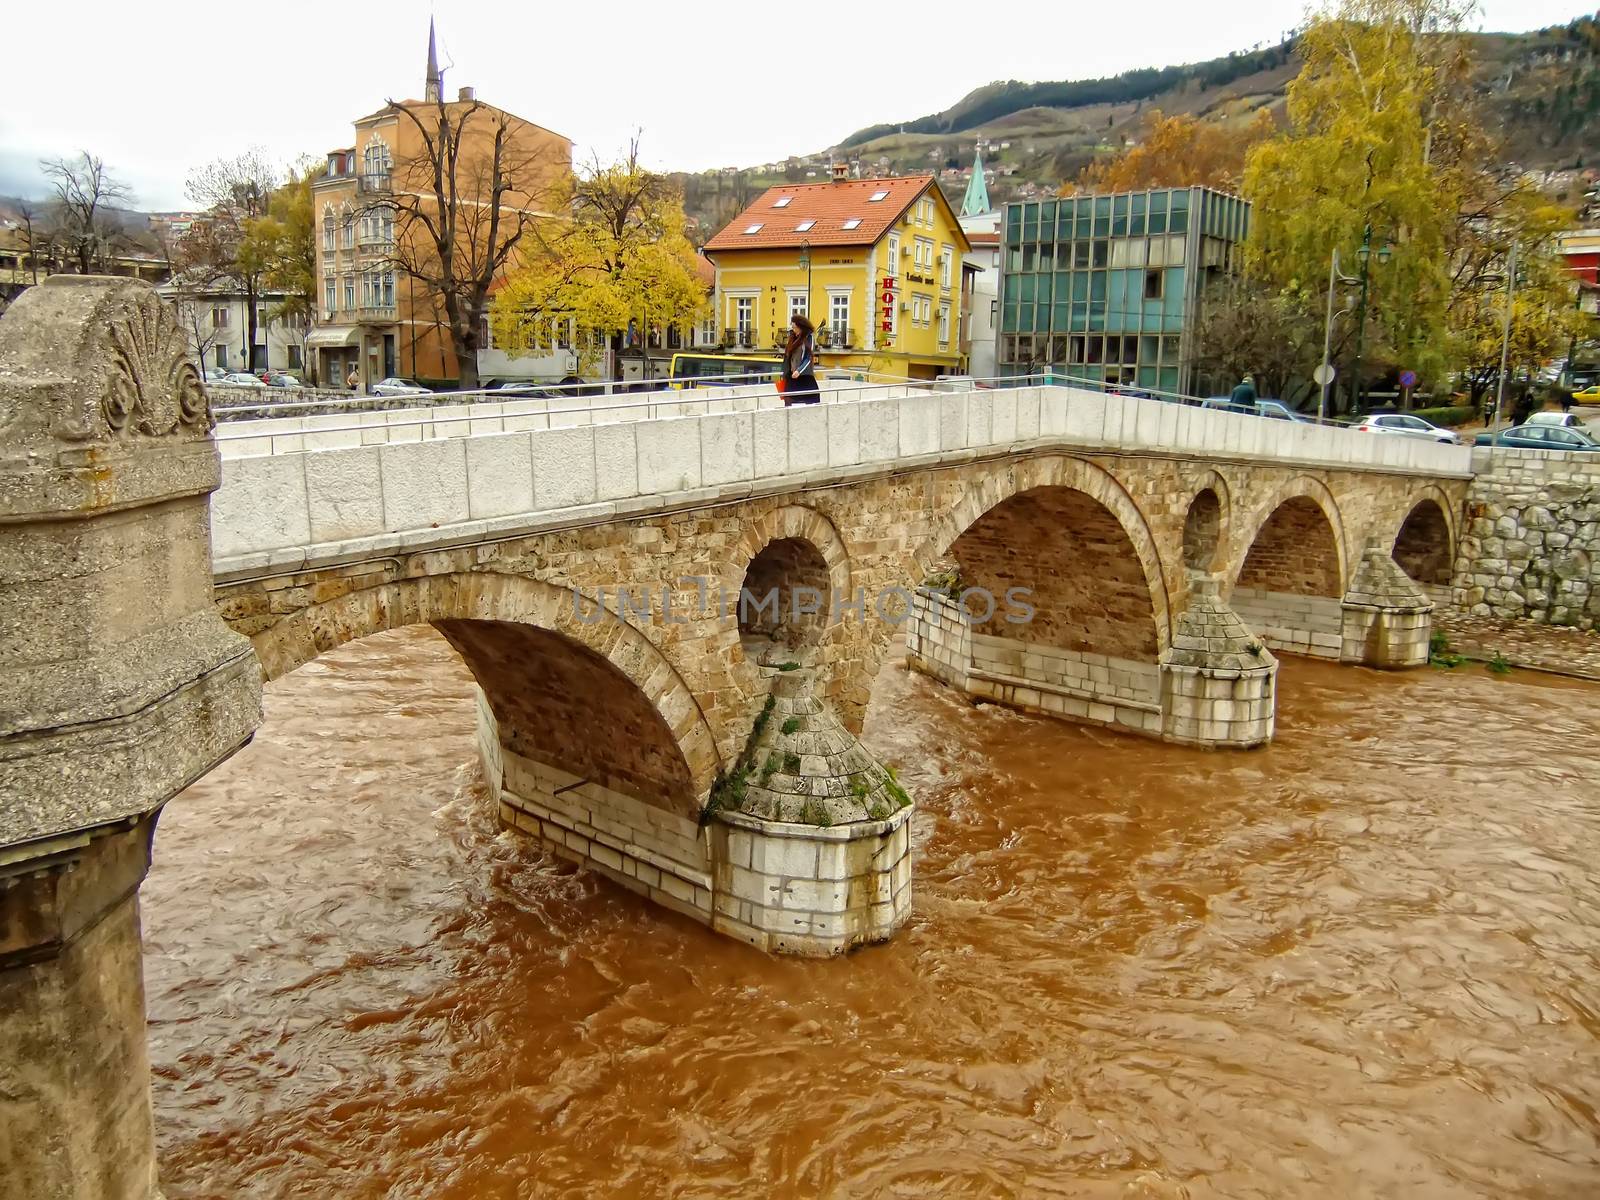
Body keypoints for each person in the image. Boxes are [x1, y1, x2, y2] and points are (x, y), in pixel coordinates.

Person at [782, 314, 819, 405]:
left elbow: (808, 357)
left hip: (805, 376)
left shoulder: (809, 338)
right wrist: (785, 374)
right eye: (792, 327)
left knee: (811, 402)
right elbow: (787, 358)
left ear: (801, 327)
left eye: (795, 327)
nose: (793, 330)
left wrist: (799, 371)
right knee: (788, 402)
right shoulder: (792, 337)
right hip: (792, 376)